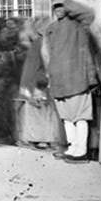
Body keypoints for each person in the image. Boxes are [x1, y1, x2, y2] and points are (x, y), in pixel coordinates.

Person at [43, 0, 99, 163]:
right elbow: (47, 54)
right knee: (67, 117)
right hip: (58, 79)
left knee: (80, 116)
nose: (59, 10)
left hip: (78, 78)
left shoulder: (78, 25)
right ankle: (73, 147)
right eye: (56, 7)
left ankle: (81, 151)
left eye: (61, 7)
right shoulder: (51, 28)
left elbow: (88, 13)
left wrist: (67, 3)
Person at [15, 17, 65, 149]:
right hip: (47, 81)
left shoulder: (39, 43)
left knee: (35, 111)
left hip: (37, 81)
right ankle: (48, 138)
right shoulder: (52, 42)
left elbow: (31, 67)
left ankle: (34, 138)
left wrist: (26, 87)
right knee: (47, 111)